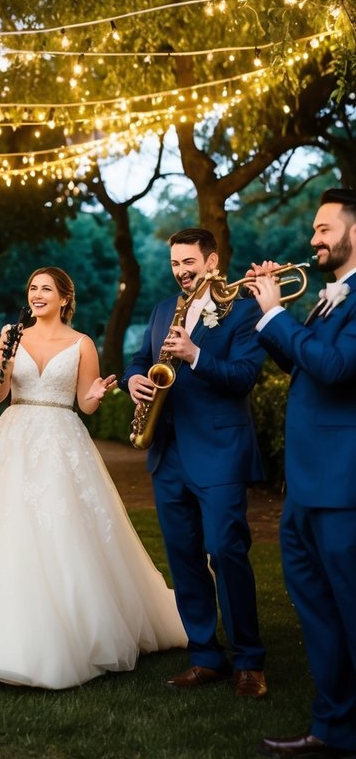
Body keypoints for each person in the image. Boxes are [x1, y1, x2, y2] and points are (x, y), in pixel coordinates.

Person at [0, 266, 186, 688]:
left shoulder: (82, 343)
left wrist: (96, 395)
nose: (37, 294)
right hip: (14, 438)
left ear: (65, 298)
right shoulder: (12, 334)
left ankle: (73, 631)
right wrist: (3, 363)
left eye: (46, 288)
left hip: (62, 439)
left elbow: (85, 404)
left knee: (63, 529)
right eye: (32, 287)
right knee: (8, 530)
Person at [122, 227, 268, 698]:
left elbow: (245, 376)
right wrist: (134, 381)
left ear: (212, 260)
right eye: (175, 265)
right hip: (170, 454)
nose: (182, 272)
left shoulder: (244, 309)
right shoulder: (164, 308)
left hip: (221, 453)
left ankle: (249, 660)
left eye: (190, 262)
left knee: (226, 551)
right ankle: (206, 656)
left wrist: (195, 354)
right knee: (183, 559)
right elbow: (138, 358)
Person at [245, 187, 356, 759]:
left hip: (344, 487)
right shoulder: (330, 297)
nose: (313, 240)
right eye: (314, 230)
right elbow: (300, 361)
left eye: (324, 229)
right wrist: (266, 315)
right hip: (306, 485)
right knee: (319, 616)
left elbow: (336, 368)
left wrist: (275, 313)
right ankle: (332, 729)